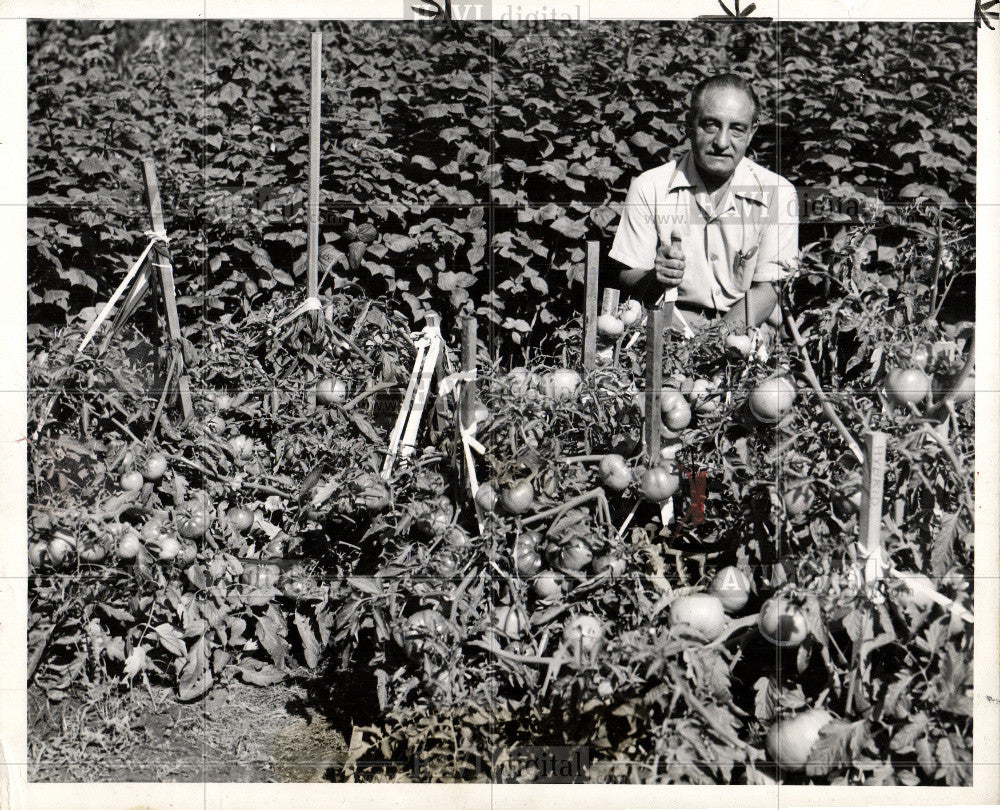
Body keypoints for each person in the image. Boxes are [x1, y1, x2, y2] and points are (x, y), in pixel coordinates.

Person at [608, 73, 798, 334]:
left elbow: (769, 288)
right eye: (710, 125)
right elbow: (627, 276)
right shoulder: (650, 186)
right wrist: (655, 276)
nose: (721, 142)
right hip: (668, 327)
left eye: (736, 129)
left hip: (748, 328)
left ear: (752, 131)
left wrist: (714, 344)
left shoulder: (778, 193)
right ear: (689, 125)